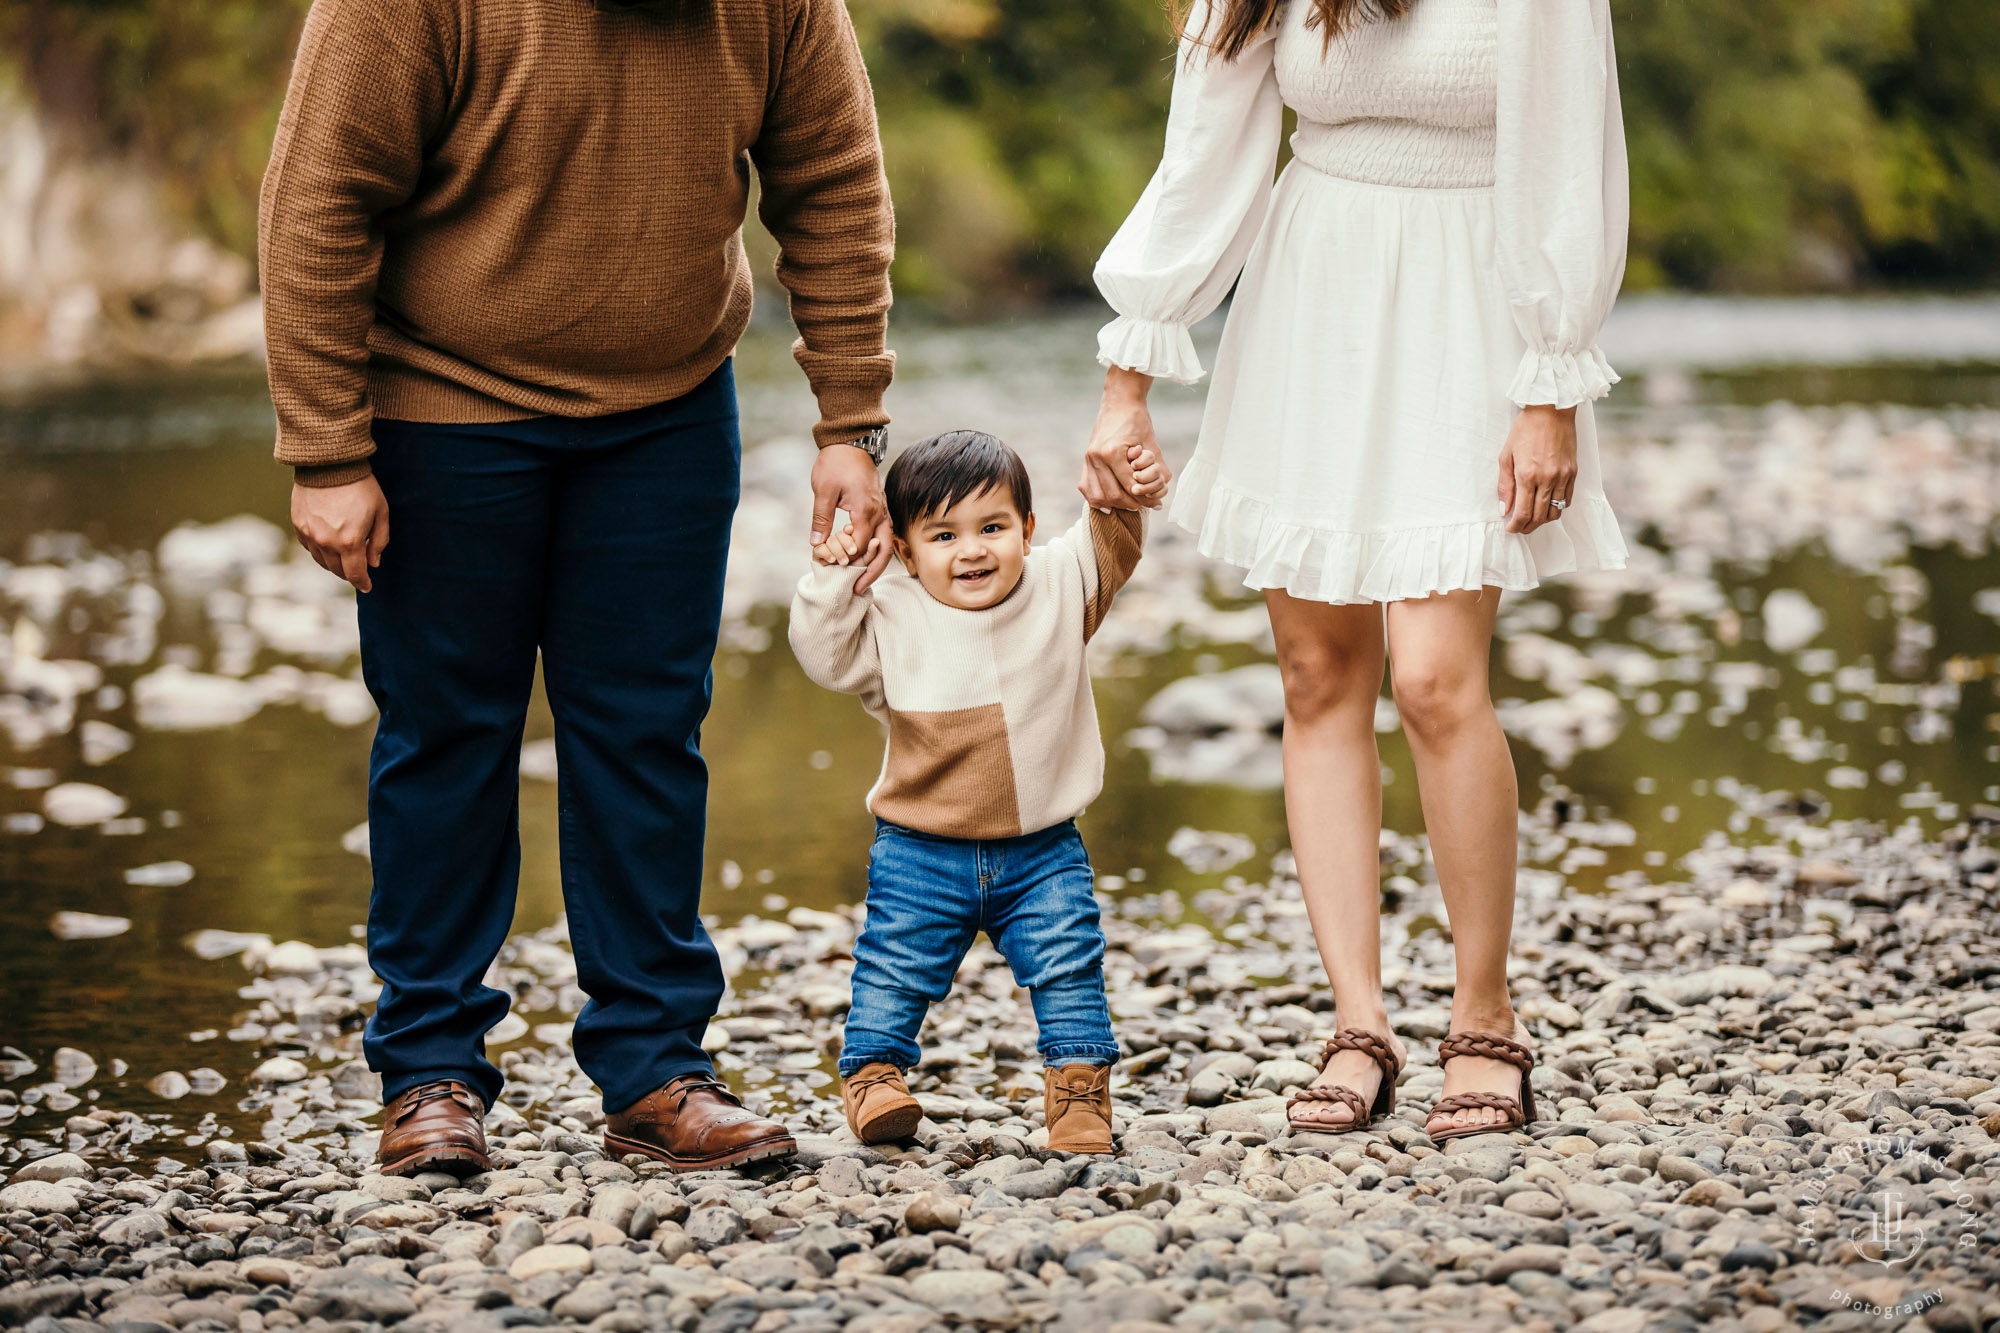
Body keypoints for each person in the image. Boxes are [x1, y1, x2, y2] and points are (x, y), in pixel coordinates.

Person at [260, 0, 897, 1175]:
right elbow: (316, 205)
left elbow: (833, 182)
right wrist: (328, 448)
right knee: (447, 734)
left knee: (648, 731)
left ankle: (653, 1067)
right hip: (436, 401)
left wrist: (849, 415)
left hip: (665, 410)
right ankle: (430, 1071)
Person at [1082, 0, 1629, 1141]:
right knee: (1315, 675)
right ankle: (1356, 1023)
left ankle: (1485, 1018)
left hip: (1474, 302)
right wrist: (1128, 371)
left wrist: (1547, 386)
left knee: (1433, 679)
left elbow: (1569, 151)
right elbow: (1208, 145)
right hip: (1313, 297)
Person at [787, 431, 1160, 1153]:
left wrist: (1120, 489)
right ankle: (873, 1077)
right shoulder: (890, 609)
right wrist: (835, 576)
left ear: (1026, 527)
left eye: (992, 527)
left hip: (1043, 850)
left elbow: (1112, 544)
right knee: (894, 968)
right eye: (943, 535)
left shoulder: (1059, 584)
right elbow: (825, 655)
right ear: (902, 548)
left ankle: (1079, 1092)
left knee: (1069, 963)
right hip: (920, 848)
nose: (972, 550)